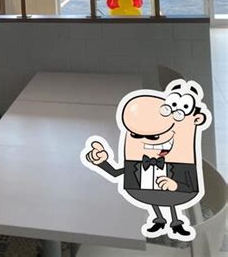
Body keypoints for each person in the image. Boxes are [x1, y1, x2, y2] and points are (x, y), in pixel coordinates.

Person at [82, 80, 211, 241]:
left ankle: (176, 222)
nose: (147, 141)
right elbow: (115, 173)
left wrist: (175, 185)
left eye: (154, 136)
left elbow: (190, 186)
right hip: (145, 193)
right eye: (136, 135)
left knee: (168, 201)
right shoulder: (137, 161)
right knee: (152, 200)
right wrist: (101, 162)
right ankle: (159, 219)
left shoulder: (182, 163)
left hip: (174, 197)